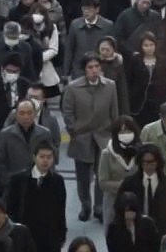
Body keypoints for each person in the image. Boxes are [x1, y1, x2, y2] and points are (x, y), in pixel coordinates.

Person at [62, 54, 119, 224]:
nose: (94, 70)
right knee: (83, 178)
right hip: (82, 137)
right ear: (84, 70)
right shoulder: (73, 87)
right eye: (90, 67)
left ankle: (99, 207)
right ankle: (85, 205)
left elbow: (114, 112)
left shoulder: (110, 86)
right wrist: (74, 131)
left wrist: (114, 135)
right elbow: (67, 112)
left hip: (103, 136)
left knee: (102, 174)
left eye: (97, 66)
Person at [4, 141, 67, 252]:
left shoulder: (57, 181)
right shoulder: (19, 180)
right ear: (34, 157)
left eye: (49, 157)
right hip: (25, 234)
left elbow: (60, 210)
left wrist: (62, 234)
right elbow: (10, 207)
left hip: (49, 236)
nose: (45, 160)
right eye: (42, 157)